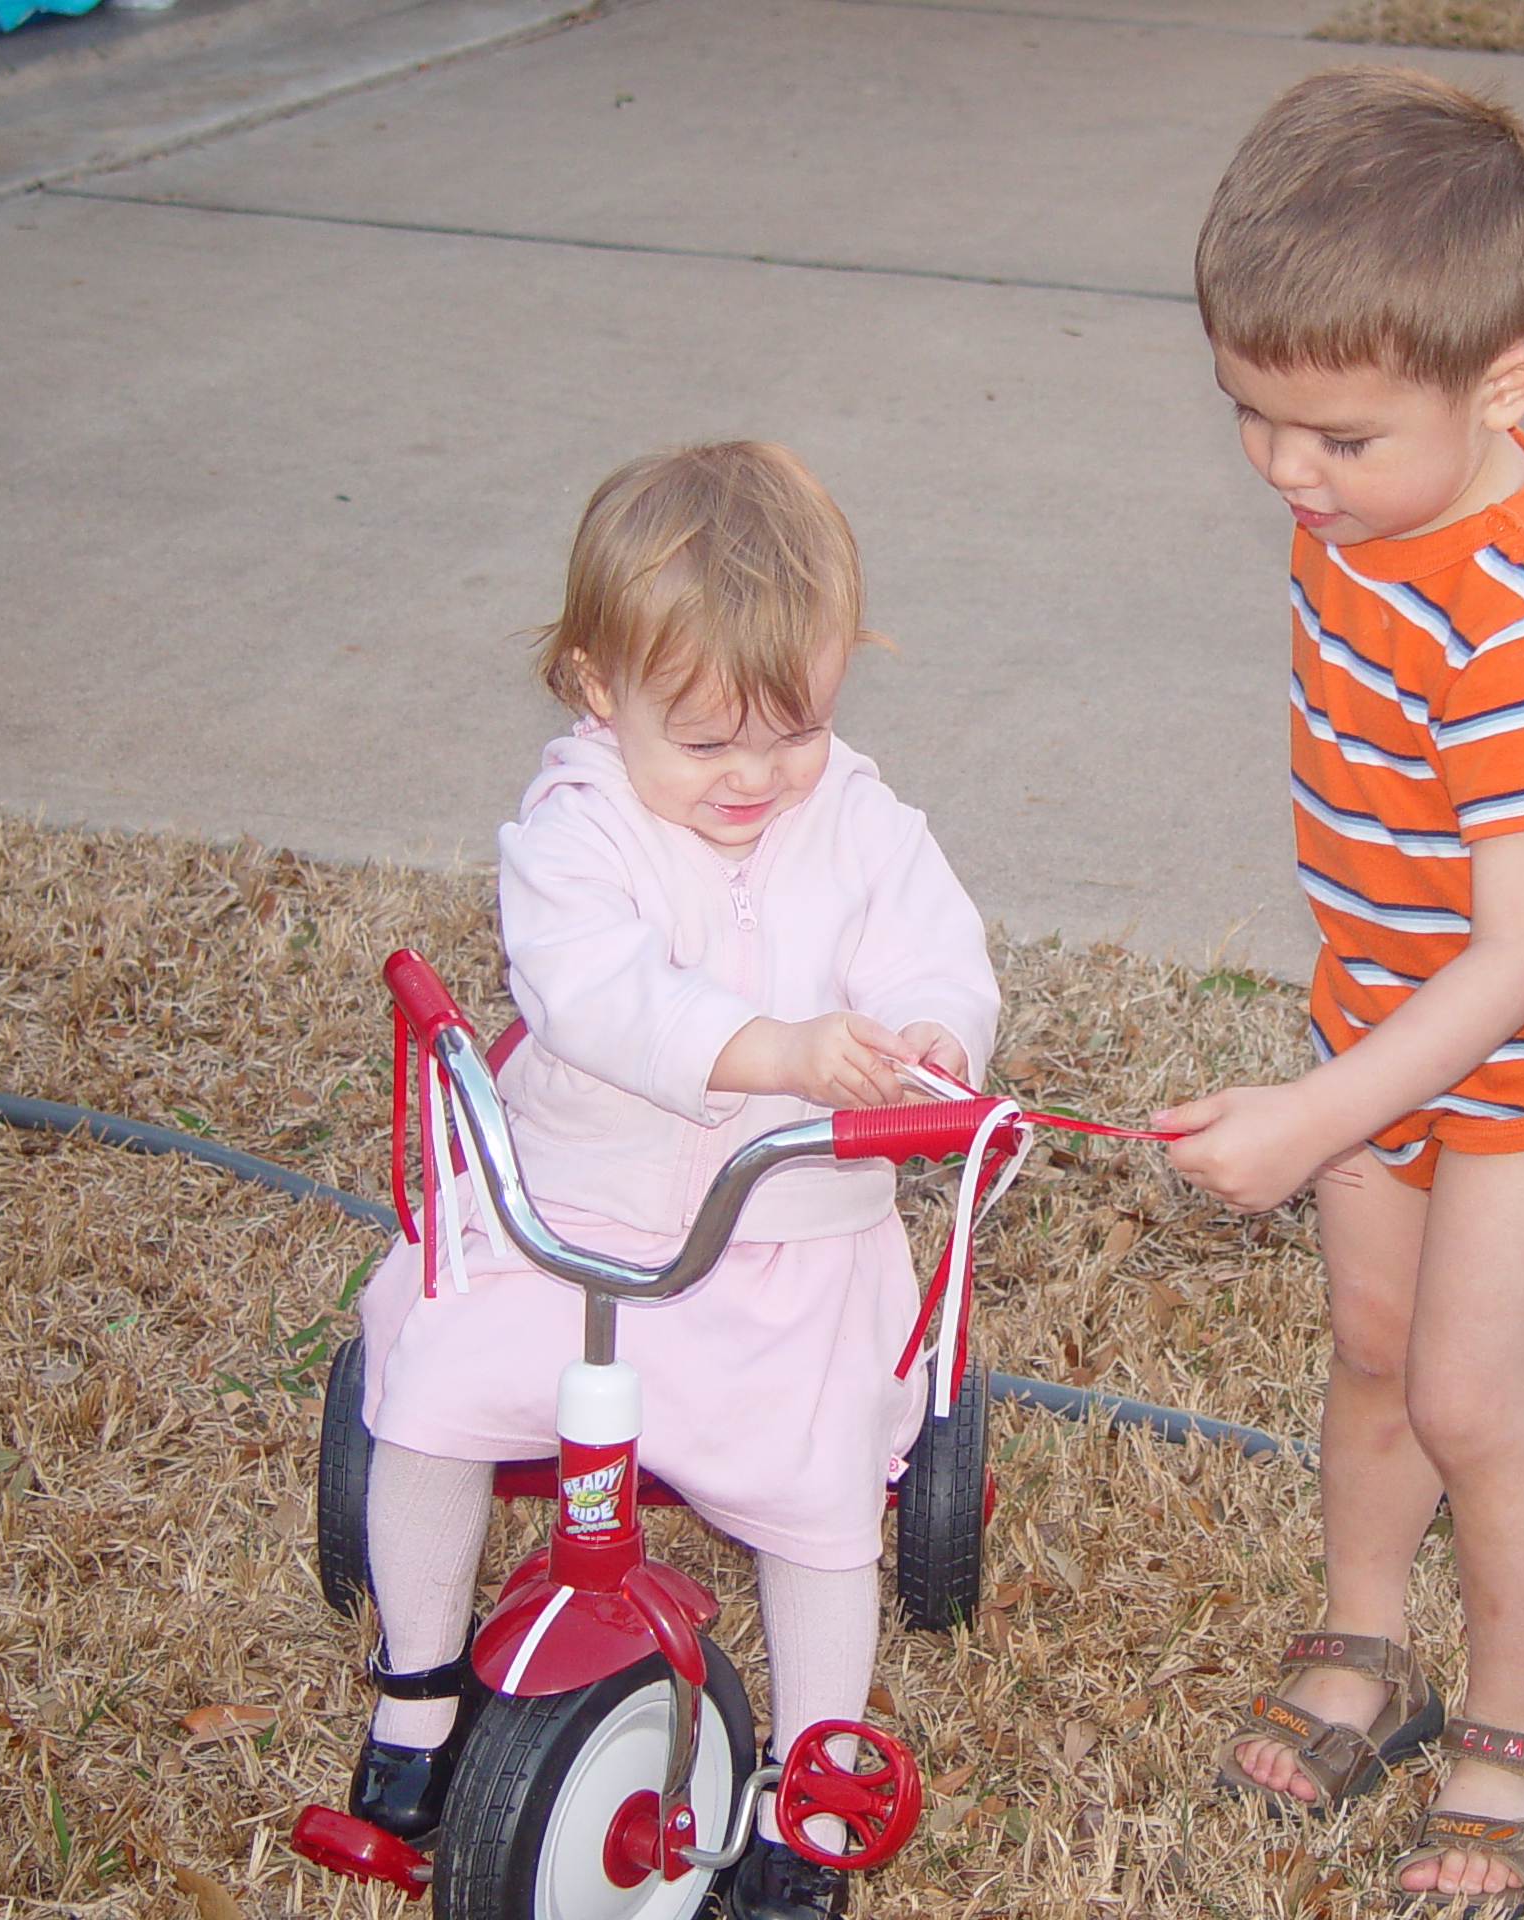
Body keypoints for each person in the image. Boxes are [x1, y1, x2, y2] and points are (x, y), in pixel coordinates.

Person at [350, 441, 998, 1920]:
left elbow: (933, 951)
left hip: (784, 1238)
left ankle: (817, 1771)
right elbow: (594, 993)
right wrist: (771, 1048)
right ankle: (418, 1690)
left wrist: (928, 1036)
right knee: (436, 1392)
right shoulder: (573, 827)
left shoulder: (862, 822)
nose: (756, 778)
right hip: (574, 1223)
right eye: (706, 744)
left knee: (824, 1499)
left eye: (796, 731)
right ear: (598, 689)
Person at [1160, 66, 1524, 1912]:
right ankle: (1366, 1646)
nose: (1291, 472)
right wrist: (1344, 1079)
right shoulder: (1364, 512)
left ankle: (1516, 1723)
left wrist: (1317, 1110)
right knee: (1365, 1350)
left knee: (1466, 1397)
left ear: (1506, 384)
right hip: (1380, 1017)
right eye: (1253, 415)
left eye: (1340, 437)